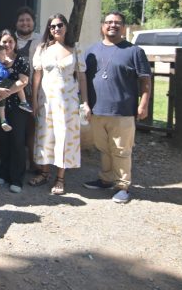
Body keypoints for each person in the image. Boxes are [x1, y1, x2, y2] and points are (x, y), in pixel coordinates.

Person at [83, 11, 151, 204]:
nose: (113, 25)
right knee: (104, 148)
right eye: (109, 22)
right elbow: (83, 79)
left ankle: (123, 186)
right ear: (102, 26)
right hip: (98, 110)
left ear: (123, 27)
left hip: (123, 111)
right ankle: (105, 179)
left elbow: (145, 81)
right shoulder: (91, 51)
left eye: (117, 23)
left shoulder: (134, 51)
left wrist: (143, 104)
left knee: (121, 150)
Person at [30, 13, 88, 196]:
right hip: (46, 100)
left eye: (60, 25)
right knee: (45, 136)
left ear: (66, 27)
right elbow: (37, 75)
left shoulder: (75, 48)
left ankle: (60, 178)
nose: (56, 29)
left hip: (68, 102)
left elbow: (82, 75)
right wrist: (34, 101)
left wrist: (85, 101)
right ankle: (45, 173)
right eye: (52, 26)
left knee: (64, 138)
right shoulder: (42, 49)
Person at [0, 30, 31, 193]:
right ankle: (3, 173)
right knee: (3, 140)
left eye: (11, 41)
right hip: (1, 107)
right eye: (4, 42)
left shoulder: (22, 60)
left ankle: (17, 179)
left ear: (15, 43)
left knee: (17, 142)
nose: (8, 45)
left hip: (18, 107)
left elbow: (23, 81)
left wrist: (4, 93)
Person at [14, 6, 41, 173]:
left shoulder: (42, 41)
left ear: (33, 23)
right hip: (13, 93)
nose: (25, 23)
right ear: (16, 23)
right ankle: (17, 164)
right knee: (16, 131)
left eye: (28, 20)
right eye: (21, 20)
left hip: (34, 93)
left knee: (33, 130)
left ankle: (34, 162)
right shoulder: (10, 40)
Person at [0, 43, 31, 132]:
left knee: (1, 105)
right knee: (18, 84)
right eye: (3, 55)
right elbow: (1, 74)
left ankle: (3, 121)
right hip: (1, 83)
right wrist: (8, 71)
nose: (5, 56)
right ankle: (23, 102)